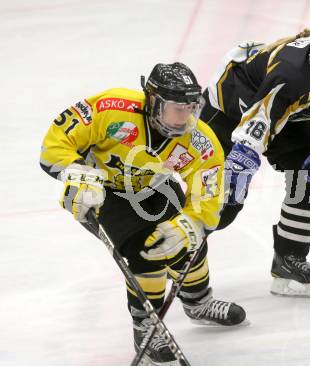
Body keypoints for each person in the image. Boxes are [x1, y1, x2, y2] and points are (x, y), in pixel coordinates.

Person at [40, 62, 246, 364]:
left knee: (189, 246)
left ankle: (198, 302)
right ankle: (146, 327)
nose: (186, 116)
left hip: (155, 188)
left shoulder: (199, 139)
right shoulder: (112, 108)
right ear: (153, 101)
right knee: (146, 252)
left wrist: (193, 222)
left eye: (191, 107)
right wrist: (76, 174)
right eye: (178, 108)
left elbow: (209, 190)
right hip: (102, 192)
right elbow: (55, 143)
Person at [200, 11, 310, 297]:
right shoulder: (291, 72)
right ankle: (170, 252)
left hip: (288, 114)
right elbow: (260, 121)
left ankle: (289, 260)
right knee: (223, 205)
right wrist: (241, 161)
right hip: (231, 102)